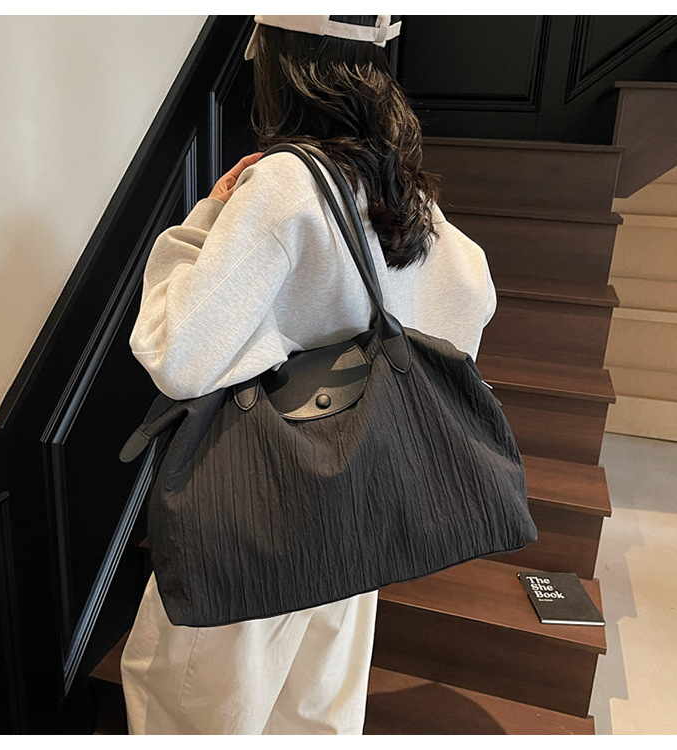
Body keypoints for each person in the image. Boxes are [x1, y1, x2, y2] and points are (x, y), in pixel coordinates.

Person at [119, 15, 497, 734]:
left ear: (278, 60)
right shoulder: (396, 180)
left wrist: (208, 218)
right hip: (354, 507)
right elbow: (469, 297)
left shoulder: (284, 182)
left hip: (262, 502)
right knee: (316, 714)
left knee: (192, 710)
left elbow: (176, 354)